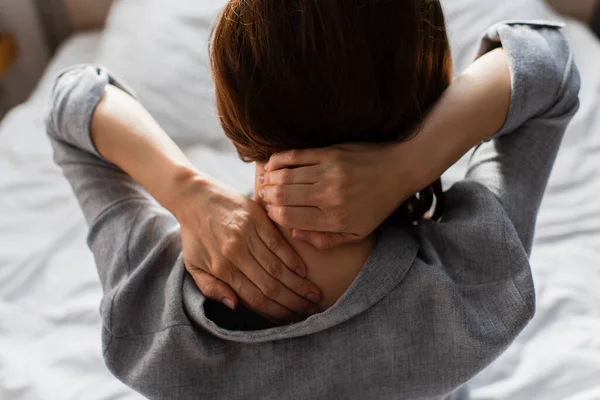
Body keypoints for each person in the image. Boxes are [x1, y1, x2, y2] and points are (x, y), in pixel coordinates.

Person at [45, 0, 580, 398]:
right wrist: (410, 163)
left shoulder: (149, 313)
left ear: (235, 109)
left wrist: (186, 190)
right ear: (423, 89)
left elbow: (72, 104)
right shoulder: (473, 286)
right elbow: (549, 62)